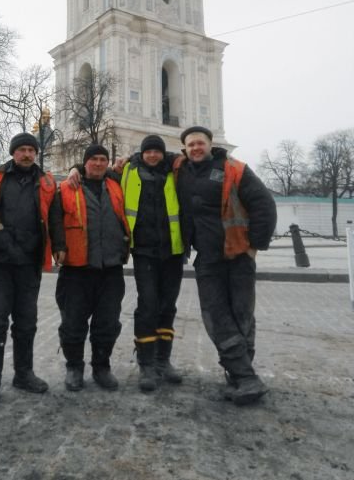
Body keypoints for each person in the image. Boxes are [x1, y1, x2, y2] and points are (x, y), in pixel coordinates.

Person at [174, 126, 276, 405]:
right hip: (207, 257)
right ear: (185, 148)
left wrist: (256, 245)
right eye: (191, 144)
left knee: (241, 314)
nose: (196, 148)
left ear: (210, 144)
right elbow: (144, 159)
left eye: (200, 143)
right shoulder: (179, 169)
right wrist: (76, 167)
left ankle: (240, 376)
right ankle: (245, 376)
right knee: (216, 315)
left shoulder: (234, 169)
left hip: (238, 254)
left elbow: (264, 204)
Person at [0, 132, 64, 406]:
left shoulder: (46, 181)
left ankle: (24, 373)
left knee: (26, 323)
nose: (27, 155)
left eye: (31, 150)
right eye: (21, 150)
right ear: (13, 153)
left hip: (29, 263)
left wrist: (60, 246)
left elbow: (55, 217)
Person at [55, 144, 131, 391]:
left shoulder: (116, 186)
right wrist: (58, 246)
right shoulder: (67, 188)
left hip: (110, 268)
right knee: (73, 322)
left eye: (102, 159)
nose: (98, 163)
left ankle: (102, 367)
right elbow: (55, 221)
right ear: (84, 162)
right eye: (93, 159)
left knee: (108, 322)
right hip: (77, 268)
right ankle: (74, 367)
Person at [119, 135, 186, 391]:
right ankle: (146, 363)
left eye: (157, 151)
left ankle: (163, 359)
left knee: (168, 305)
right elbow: (96, 169)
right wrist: (73, 170)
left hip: (173, 250)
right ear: (142, 153)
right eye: (149, 152)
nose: (153, 156)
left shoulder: (175, 171)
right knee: (148, 304)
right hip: (144, 251)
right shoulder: (129, 170)